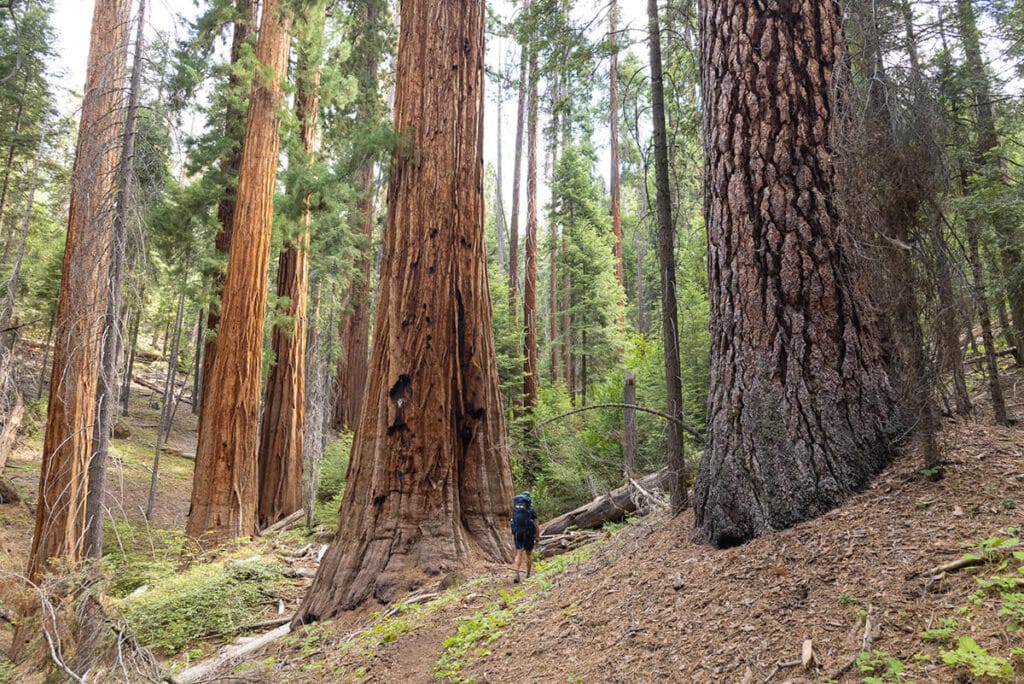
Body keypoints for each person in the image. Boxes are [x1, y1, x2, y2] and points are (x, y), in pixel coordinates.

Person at [510, 491, 540, 583]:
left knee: (519, 553)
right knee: (528, 554)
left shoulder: (515, 509)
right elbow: (536, 525)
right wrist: (537, 536)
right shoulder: (531, 510)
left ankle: (516, 573)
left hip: (518, 533)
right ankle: (528, 574)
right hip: (529, 534)